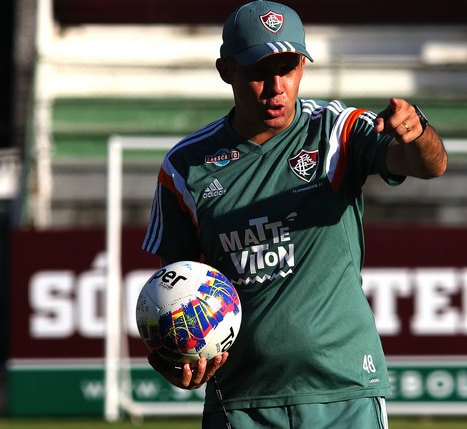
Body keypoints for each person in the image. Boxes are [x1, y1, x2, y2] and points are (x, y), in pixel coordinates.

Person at [142, 1, 447, 427]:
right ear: (225, 70)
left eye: (287, 68)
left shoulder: (336, 131)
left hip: (345, 391)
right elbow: (173, 293)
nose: (276, 87)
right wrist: (173, 356)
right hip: (241, 402)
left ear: (302, 65)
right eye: (258, 71)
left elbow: (428, 166)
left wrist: (418, 135)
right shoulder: (184, 167)